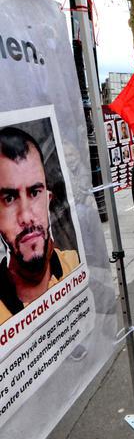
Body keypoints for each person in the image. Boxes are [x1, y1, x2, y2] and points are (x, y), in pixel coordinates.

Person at [0, 127, 80, 324]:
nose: (26, 217)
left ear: (48, 199)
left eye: (35, 192)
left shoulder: (73, 263)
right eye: (9, 198)